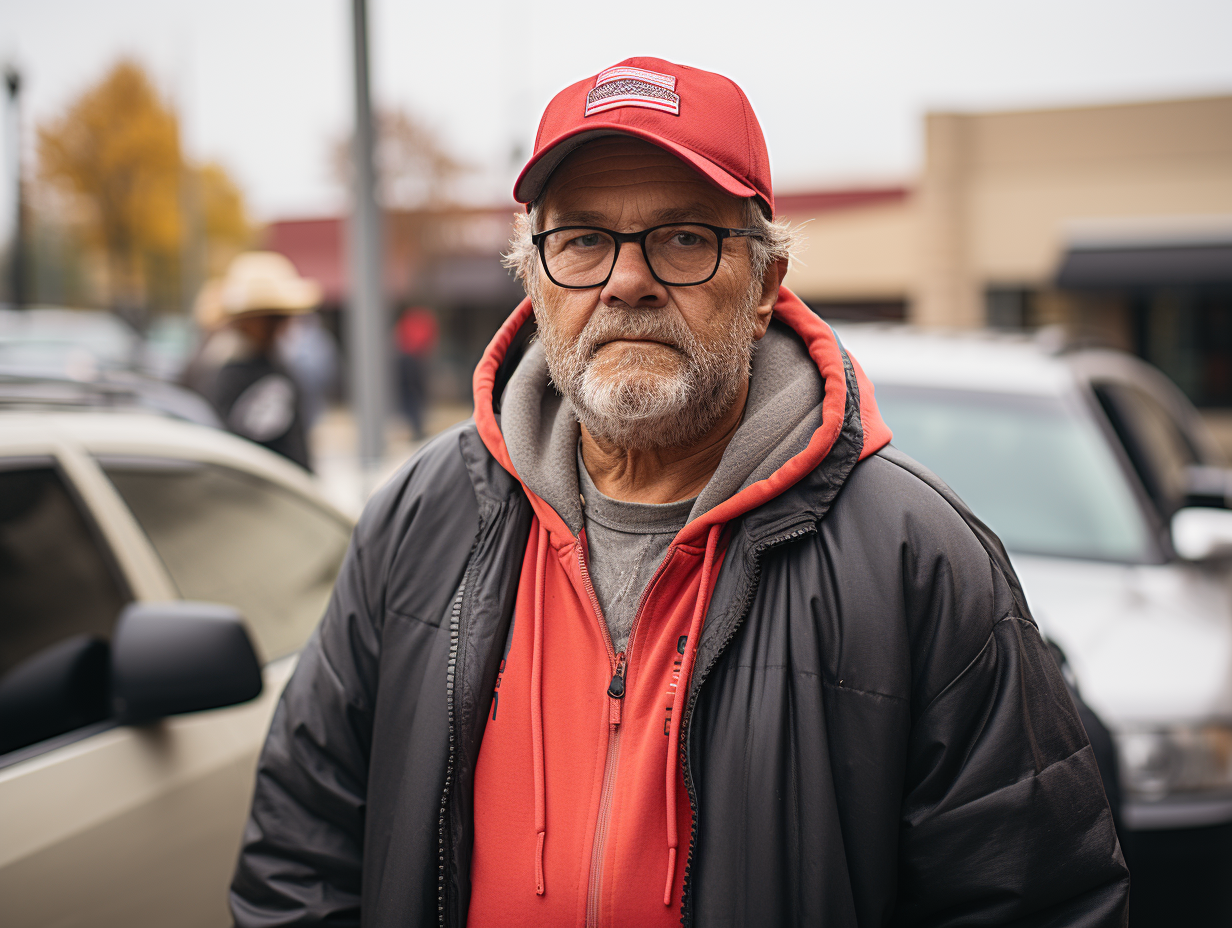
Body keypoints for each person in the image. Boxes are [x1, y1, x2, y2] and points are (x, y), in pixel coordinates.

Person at [231, 58, 1128, 927]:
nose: (628, 281)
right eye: (581, 239)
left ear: (767, 281)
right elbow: (299, 851)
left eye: (685, 238)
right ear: (534, 279)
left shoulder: (916, 560)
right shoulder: (420, 517)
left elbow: (1035, 897)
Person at [196, 252, 320, 470]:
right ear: (244, 320)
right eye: (270, 317)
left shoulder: (271, 366)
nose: (279, 326)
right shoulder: (236, 373)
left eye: (281, 317)